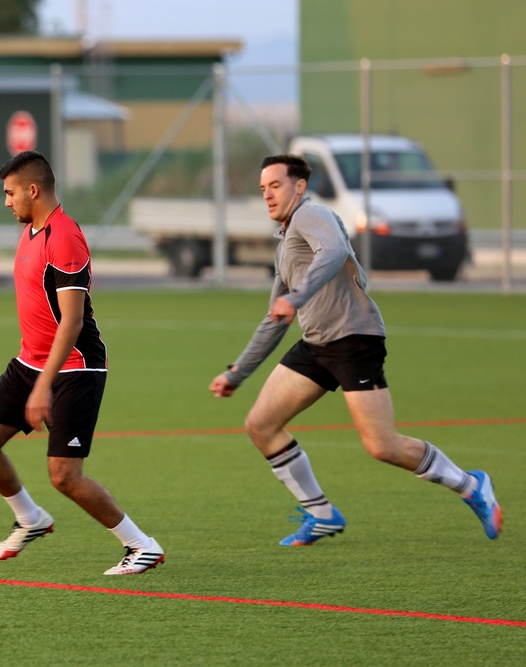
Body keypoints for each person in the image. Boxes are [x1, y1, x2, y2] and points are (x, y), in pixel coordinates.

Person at [208, 153, 502, 546]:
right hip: (316, 344)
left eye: (275, 185)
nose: (267, 195)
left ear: (300, 186)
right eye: (263, 188)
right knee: (261, 425)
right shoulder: (286, 241)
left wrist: (297, 297)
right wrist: (237, 372)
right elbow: (274, 318)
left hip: (352, 339)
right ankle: (321, 514)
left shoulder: (312, 215)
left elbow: (333, 251)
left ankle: (471, 485)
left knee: (382, 445)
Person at [0, 150, 164, 575]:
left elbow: (71, 321)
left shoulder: (64, 236)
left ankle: (141, 545)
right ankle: (30, 518)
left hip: (75, 368)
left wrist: (42, 388)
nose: (6, 201)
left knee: (64, 477)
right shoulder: (32, 229)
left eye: (10, 192)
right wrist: (33, 377)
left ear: (33, 190)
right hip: (30, 362)